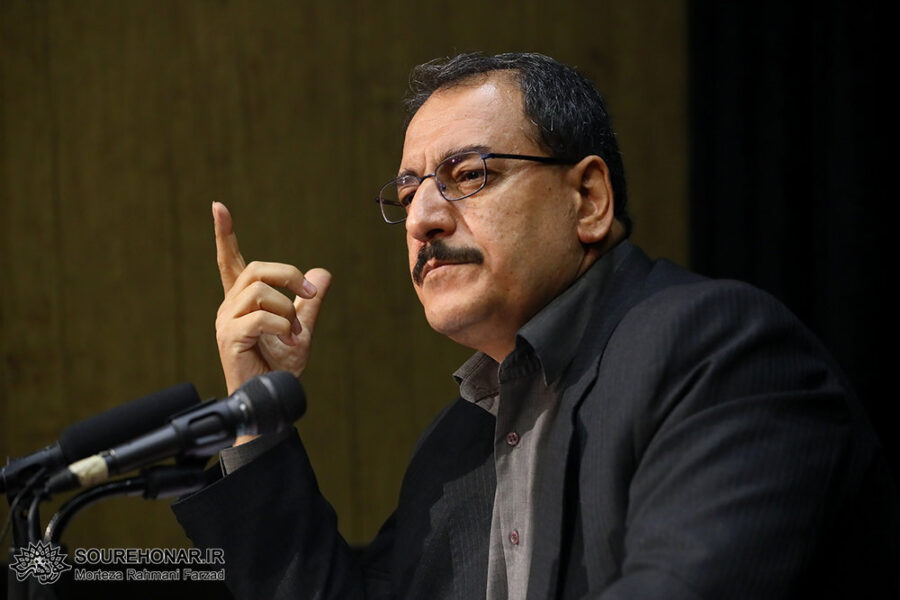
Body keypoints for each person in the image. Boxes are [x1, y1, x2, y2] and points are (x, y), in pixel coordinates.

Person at [172, 52, 899, 599]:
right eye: (409, 191)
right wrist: (256, 415)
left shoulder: (717, 352)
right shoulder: (455, 445)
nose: (422, 219)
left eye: (469, 175)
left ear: (589, 199)